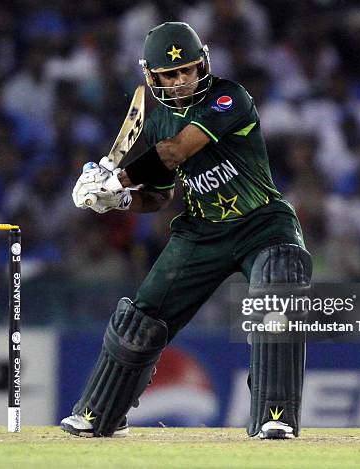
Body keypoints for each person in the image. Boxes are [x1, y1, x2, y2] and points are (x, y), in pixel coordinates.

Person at [61, 22, 312, 439]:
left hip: (263, 223)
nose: (181, 81)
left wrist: (117, 179)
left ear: (203, 66)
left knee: (279, 285)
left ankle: (275, 414)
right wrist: (119, 200)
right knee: (142, 317)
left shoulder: (230, 97)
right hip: (201, 232)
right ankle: (99, 413)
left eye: (188, 71)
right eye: (170, 75)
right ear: (152, 77)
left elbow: (176, 152)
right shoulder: (158, 121)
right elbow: (158, 197)